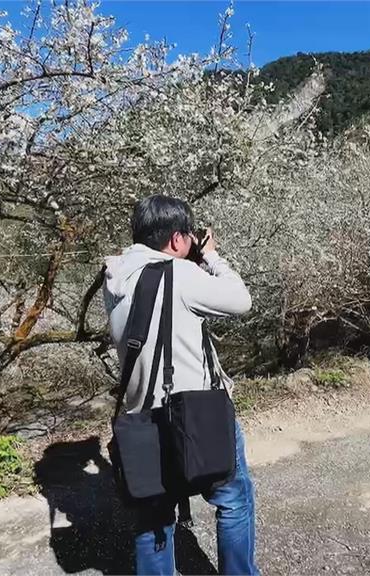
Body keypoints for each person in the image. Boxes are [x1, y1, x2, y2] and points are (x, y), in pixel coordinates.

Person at [102, 194, 258, 576]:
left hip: (142, 417)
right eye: (187, 236)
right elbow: (241, 300)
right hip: (195, 416)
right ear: (176, 240)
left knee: (153, 515)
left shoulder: (113, 277)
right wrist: (210, 258)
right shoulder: (182, 275)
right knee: (234, 498)